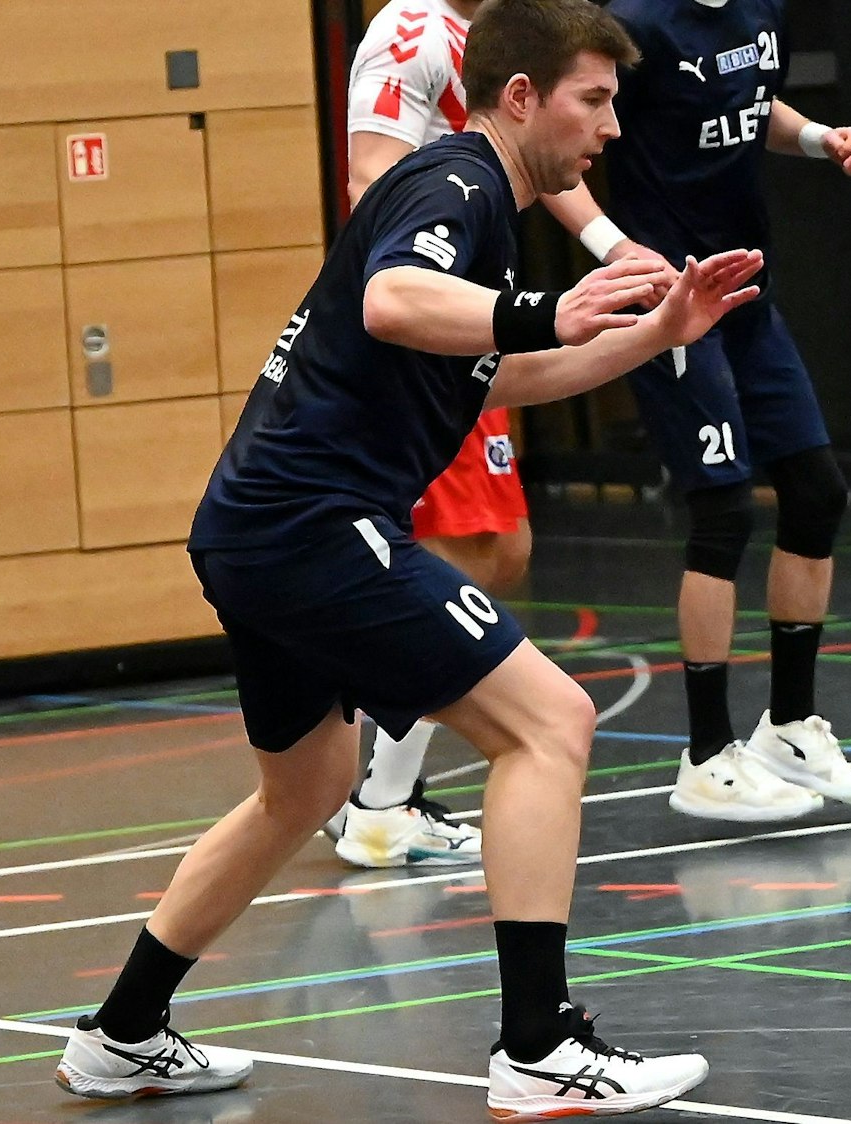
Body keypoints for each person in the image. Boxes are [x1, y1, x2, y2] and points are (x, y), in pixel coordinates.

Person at [53, 3, 765, 1116]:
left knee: (306, 789)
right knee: (551, 721)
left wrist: (649, 336)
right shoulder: (458, 186)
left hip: (254, 528)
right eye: (595, 99)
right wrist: (545, 307)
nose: (613, 128)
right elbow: (394, 303)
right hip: (309, 521)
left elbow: (502, 373)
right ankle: (539, 1046)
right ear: (520, 96)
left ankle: (122, 1030)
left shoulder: (477, 206)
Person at [318, 0, 665, 868]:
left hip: (482, 313)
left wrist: (613, 250)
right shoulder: (410, 33)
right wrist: (490, 297)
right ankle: (380, 798)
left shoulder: (519, 34)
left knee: (500, 549)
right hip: (437, 314)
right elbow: (376, 186)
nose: (607, 123)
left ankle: (373, 787)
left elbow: (553, 149)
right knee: (467, 549)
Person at [583, 0, 851, 823]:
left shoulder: (761, 10)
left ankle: (788, 727)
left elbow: (751, 110)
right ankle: (706, 756)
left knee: (817, 492)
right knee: (721, 508)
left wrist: (819, 137)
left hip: (748, 291)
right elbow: (575, 146)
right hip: (674, 297)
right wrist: (614, 248)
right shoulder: (635, 25)